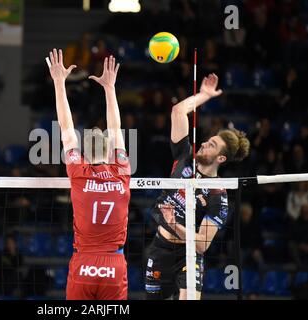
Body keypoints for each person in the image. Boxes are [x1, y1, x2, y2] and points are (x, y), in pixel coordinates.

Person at [145, 73, 251, 300]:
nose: (204, 143)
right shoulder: (184, 157)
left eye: (212, 145)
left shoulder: (218, 195)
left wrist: (175, 224)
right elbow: (178, 111)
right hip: (160, 248)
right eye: (208, 139)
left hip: (190, 256)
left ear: (221, 159)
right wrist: (204, 95)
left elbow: (202, 244)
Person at [47, 49, 131, 300]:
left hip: (84, 261)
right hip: (113, 263)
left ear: (84, 152)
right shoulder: (121, 171)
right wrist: (110, 87)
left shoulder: (78, 172)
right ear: (109, 152)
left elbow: (66, 127)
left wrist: (59, 82)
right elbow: (115, 128)